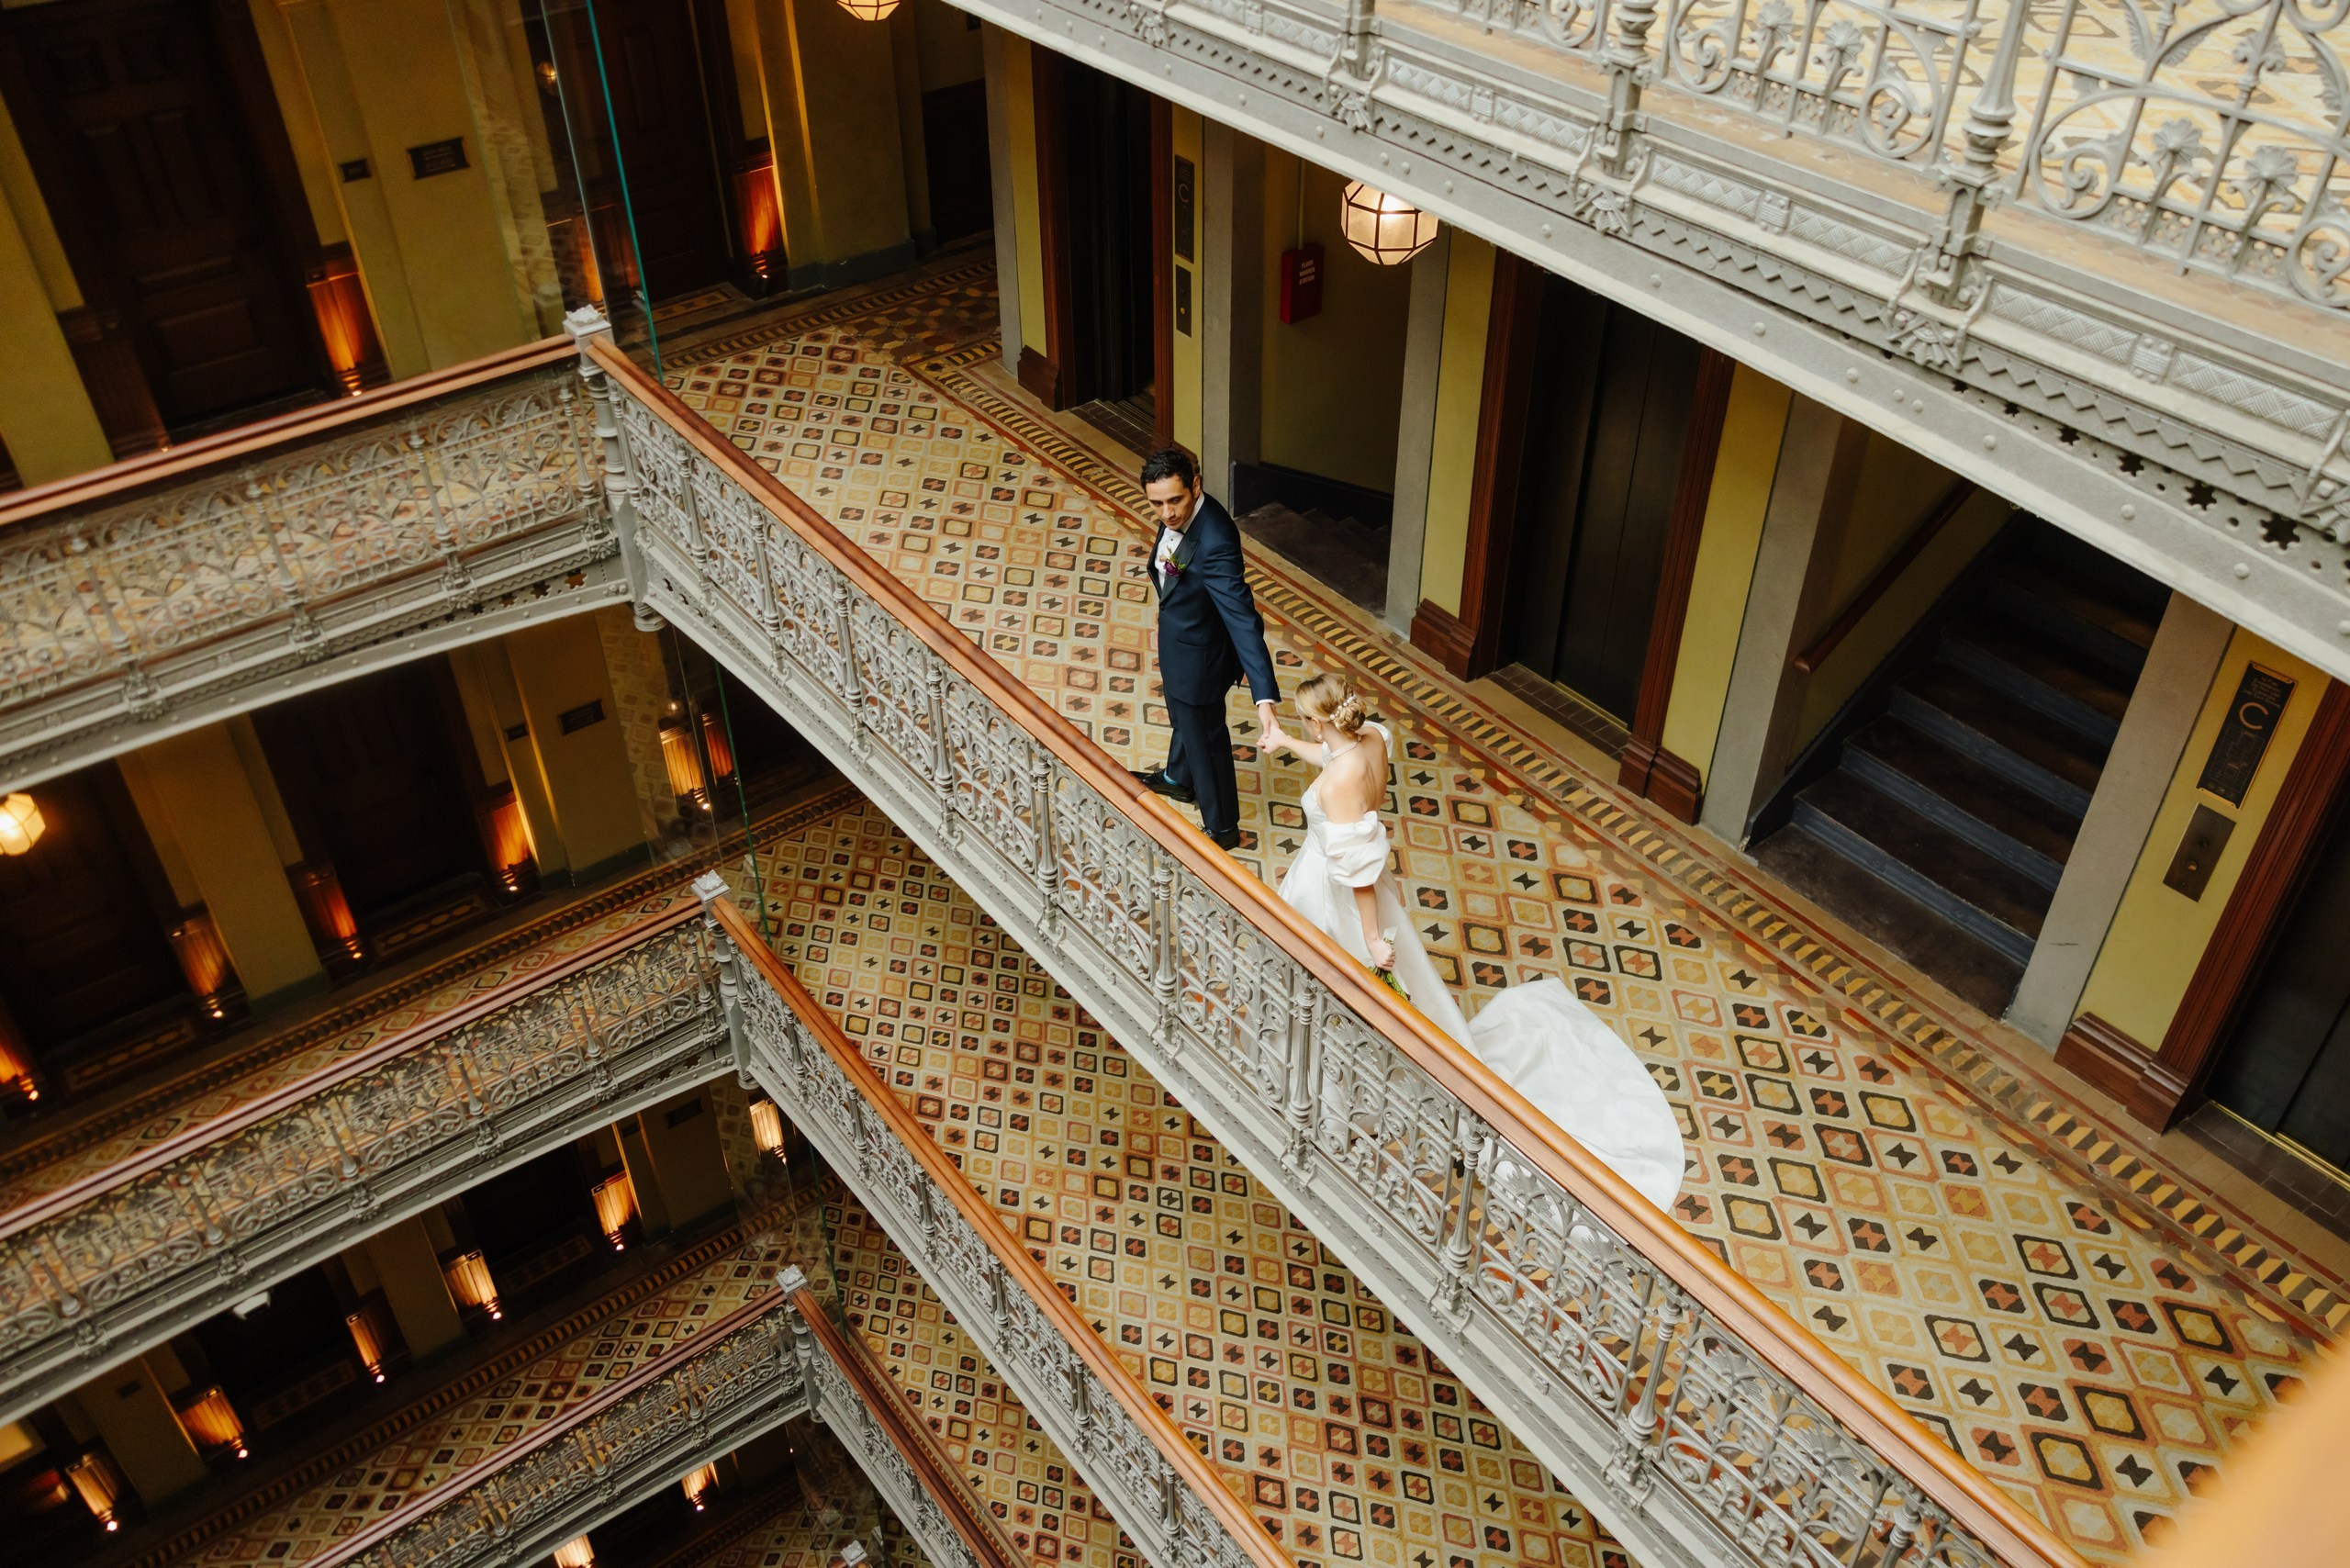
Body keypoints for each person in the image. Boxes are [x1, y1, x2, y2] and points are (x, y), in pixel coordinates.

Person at [1260, 672, 1685, 1215]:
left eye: (1305, 723)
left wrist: (1371, 938)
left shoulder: (1342, 780)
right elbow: (1334, 763)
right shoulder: (1372, 740)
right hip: (1355, 878)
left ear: (1321, 721)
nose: (1305, 729)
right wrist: (1286, 745)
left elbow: (1358, 874)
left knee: (1337, 994)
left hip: (1339, 897)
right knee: (1389, 994)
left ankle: (1338, 1092)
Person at [1129, 446, 1281, 851]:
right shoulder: (1178, 514)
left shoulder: (1215, 540)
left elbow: (1242, 617)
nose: (1167, 513)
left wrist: (1264, 696)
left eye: (1175, 500)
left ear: (1195, 485)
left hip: (1199, 659)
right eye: (1156, 503)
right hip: (1182, 642)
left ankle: (1222, 825)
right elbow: (1174, 571)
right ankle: (1178, 779)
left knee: (1207, 739)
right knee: (1185, 718)